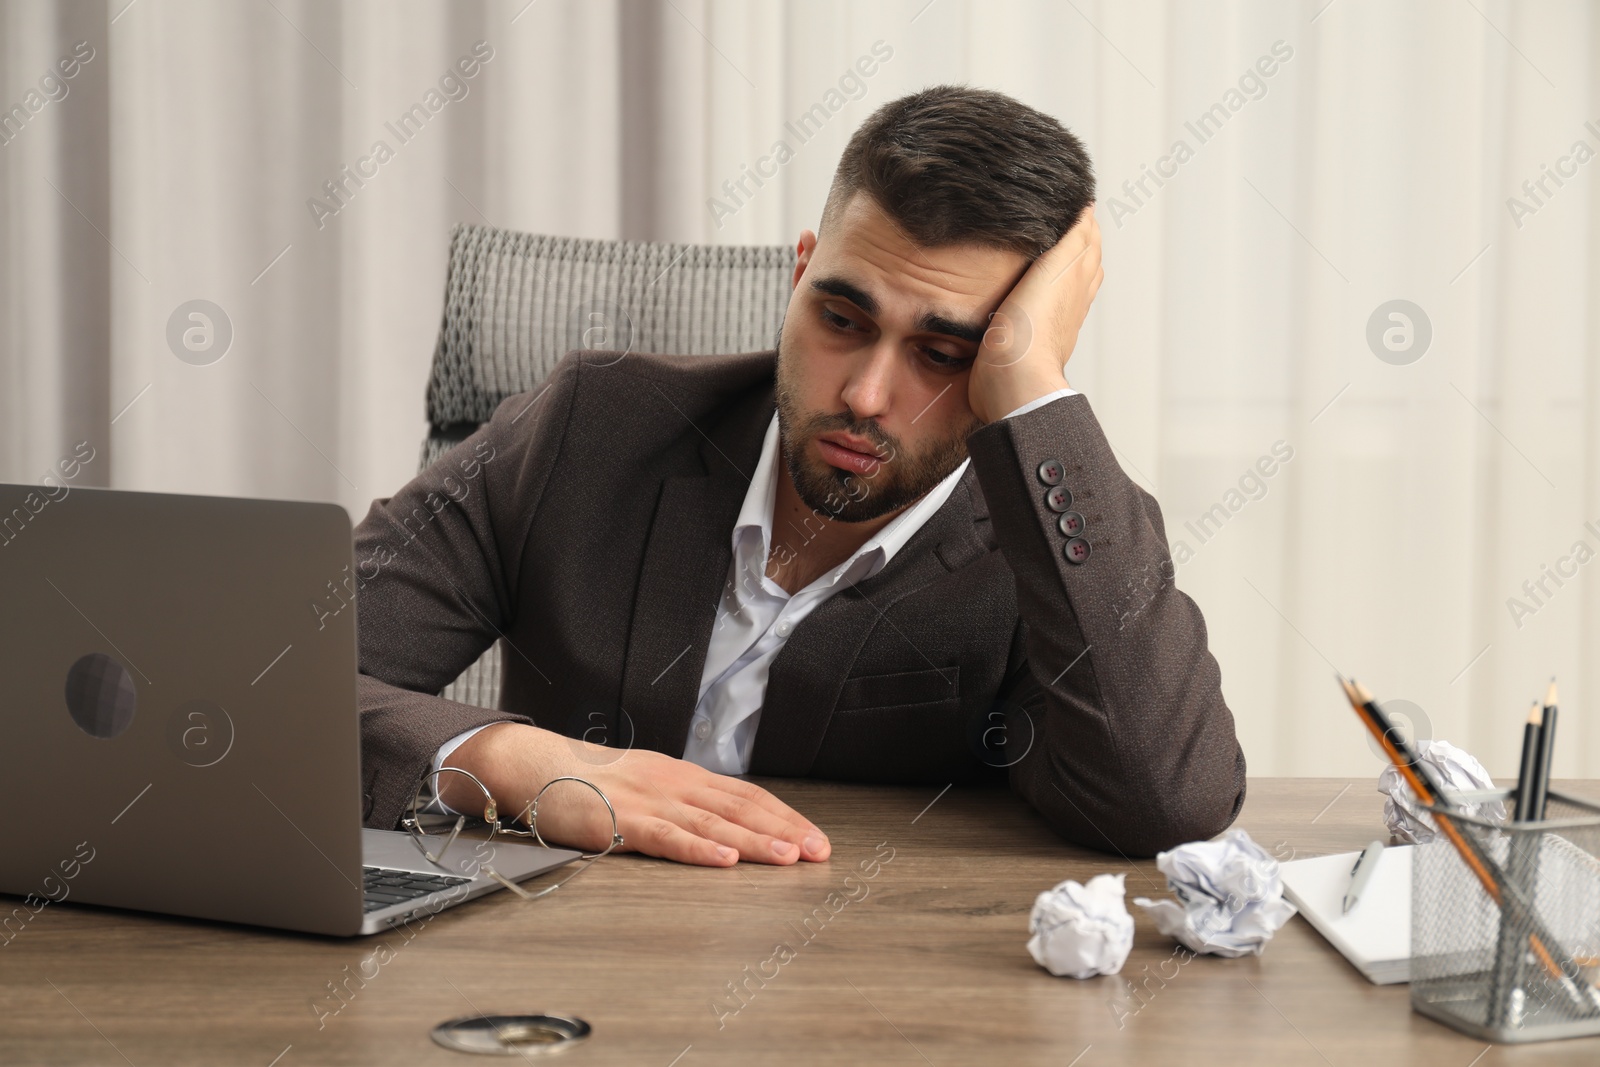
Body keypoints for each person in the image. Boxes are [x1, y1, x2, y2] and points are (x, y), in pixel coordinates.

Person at [354, 85, 1245, 867]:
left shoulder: (1051, 541)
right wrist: (513, 762)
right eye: (843, 317)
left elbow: (1168, 803)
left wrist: (1031, 387)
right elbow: (262, 669)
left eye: (944, 353)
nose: (864, 394)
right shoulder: (591, 425)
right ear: (801, 269)